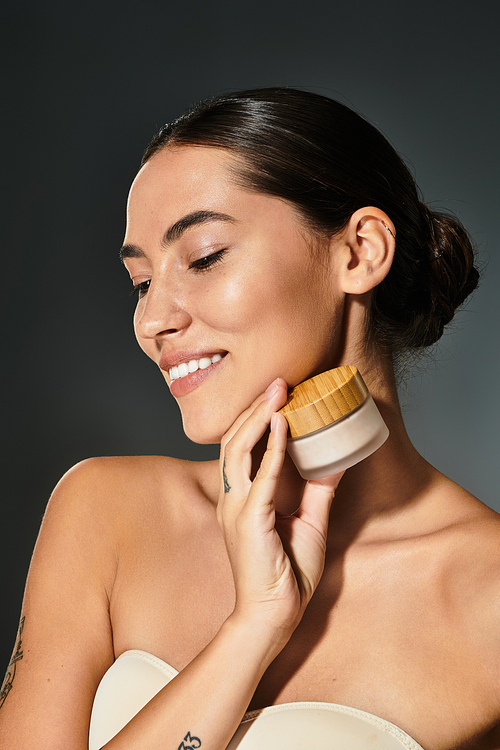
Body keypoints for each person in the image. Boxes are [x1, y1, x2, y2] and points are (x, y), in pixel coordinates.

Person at [0, 87, 498, 750]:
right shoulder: (103, 514)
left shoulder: (488, 599)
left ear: (359, 252)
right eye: (141, 282)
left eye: (204, 257)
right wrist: (253, 626)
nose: (150, 322)